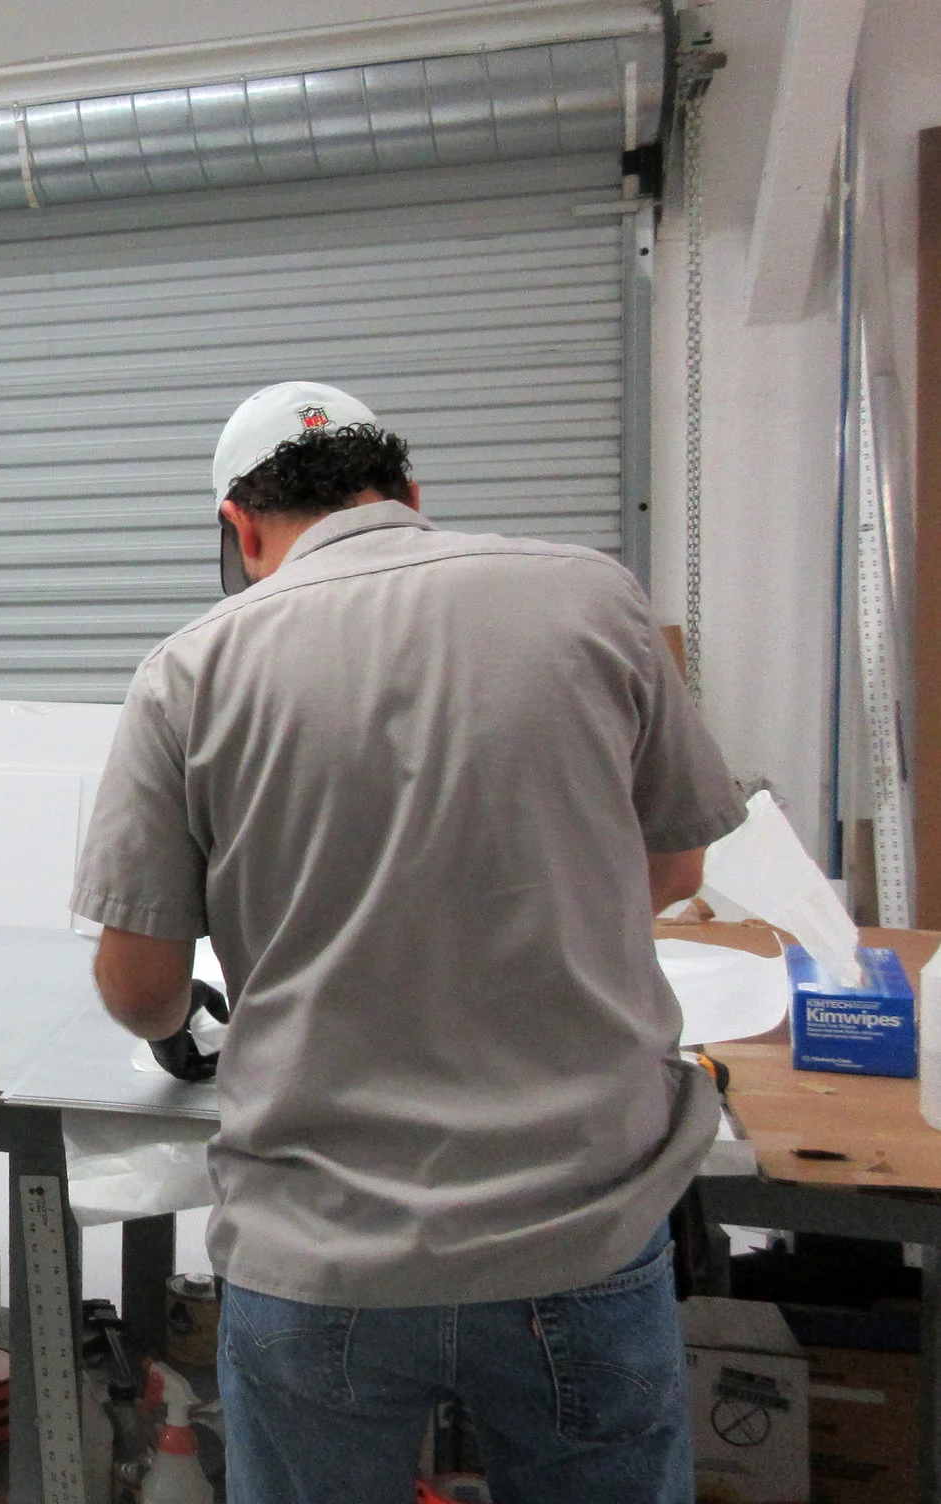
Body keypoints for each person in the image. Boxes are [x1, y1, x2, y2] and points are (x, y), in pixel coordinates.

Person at [72, 381, 745, 1502]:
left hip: (320, 1252)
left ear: (239, 528)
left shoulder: (189, 671)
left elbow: (140, 985)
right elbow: (675, 866)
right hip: (579, 1231)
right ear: (409, 496)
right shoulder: (592, 598)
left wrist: (187, 1017)